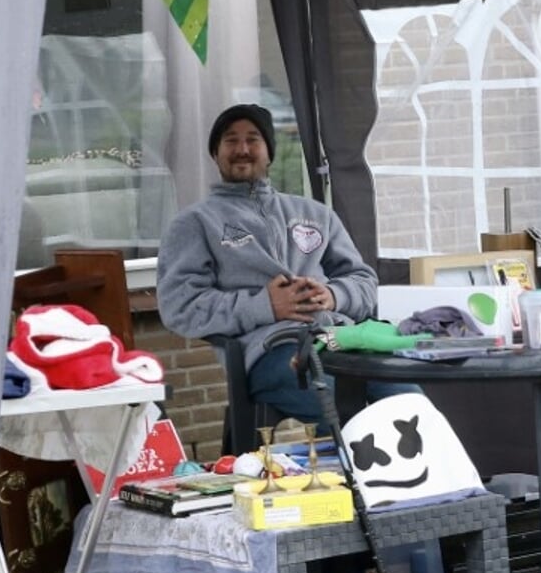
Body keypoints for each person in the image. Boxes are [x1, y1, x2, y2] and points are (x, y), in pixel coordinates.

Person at [158, 103, 414, 432]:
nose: (242, 149)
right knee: (340, 408)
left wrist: (333, 296)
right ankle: (351, 483)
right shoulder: (194, 223)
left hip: (340, 340)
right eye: (230, 141)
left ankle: (443, 484)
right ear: (215, 153)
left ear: (269, 153)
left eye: (253, 139)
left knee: (408, 398)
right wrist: (265, 306)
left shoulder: (315, 213)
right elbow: (180, 307)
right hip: (272, 352)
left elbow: (363, 280)